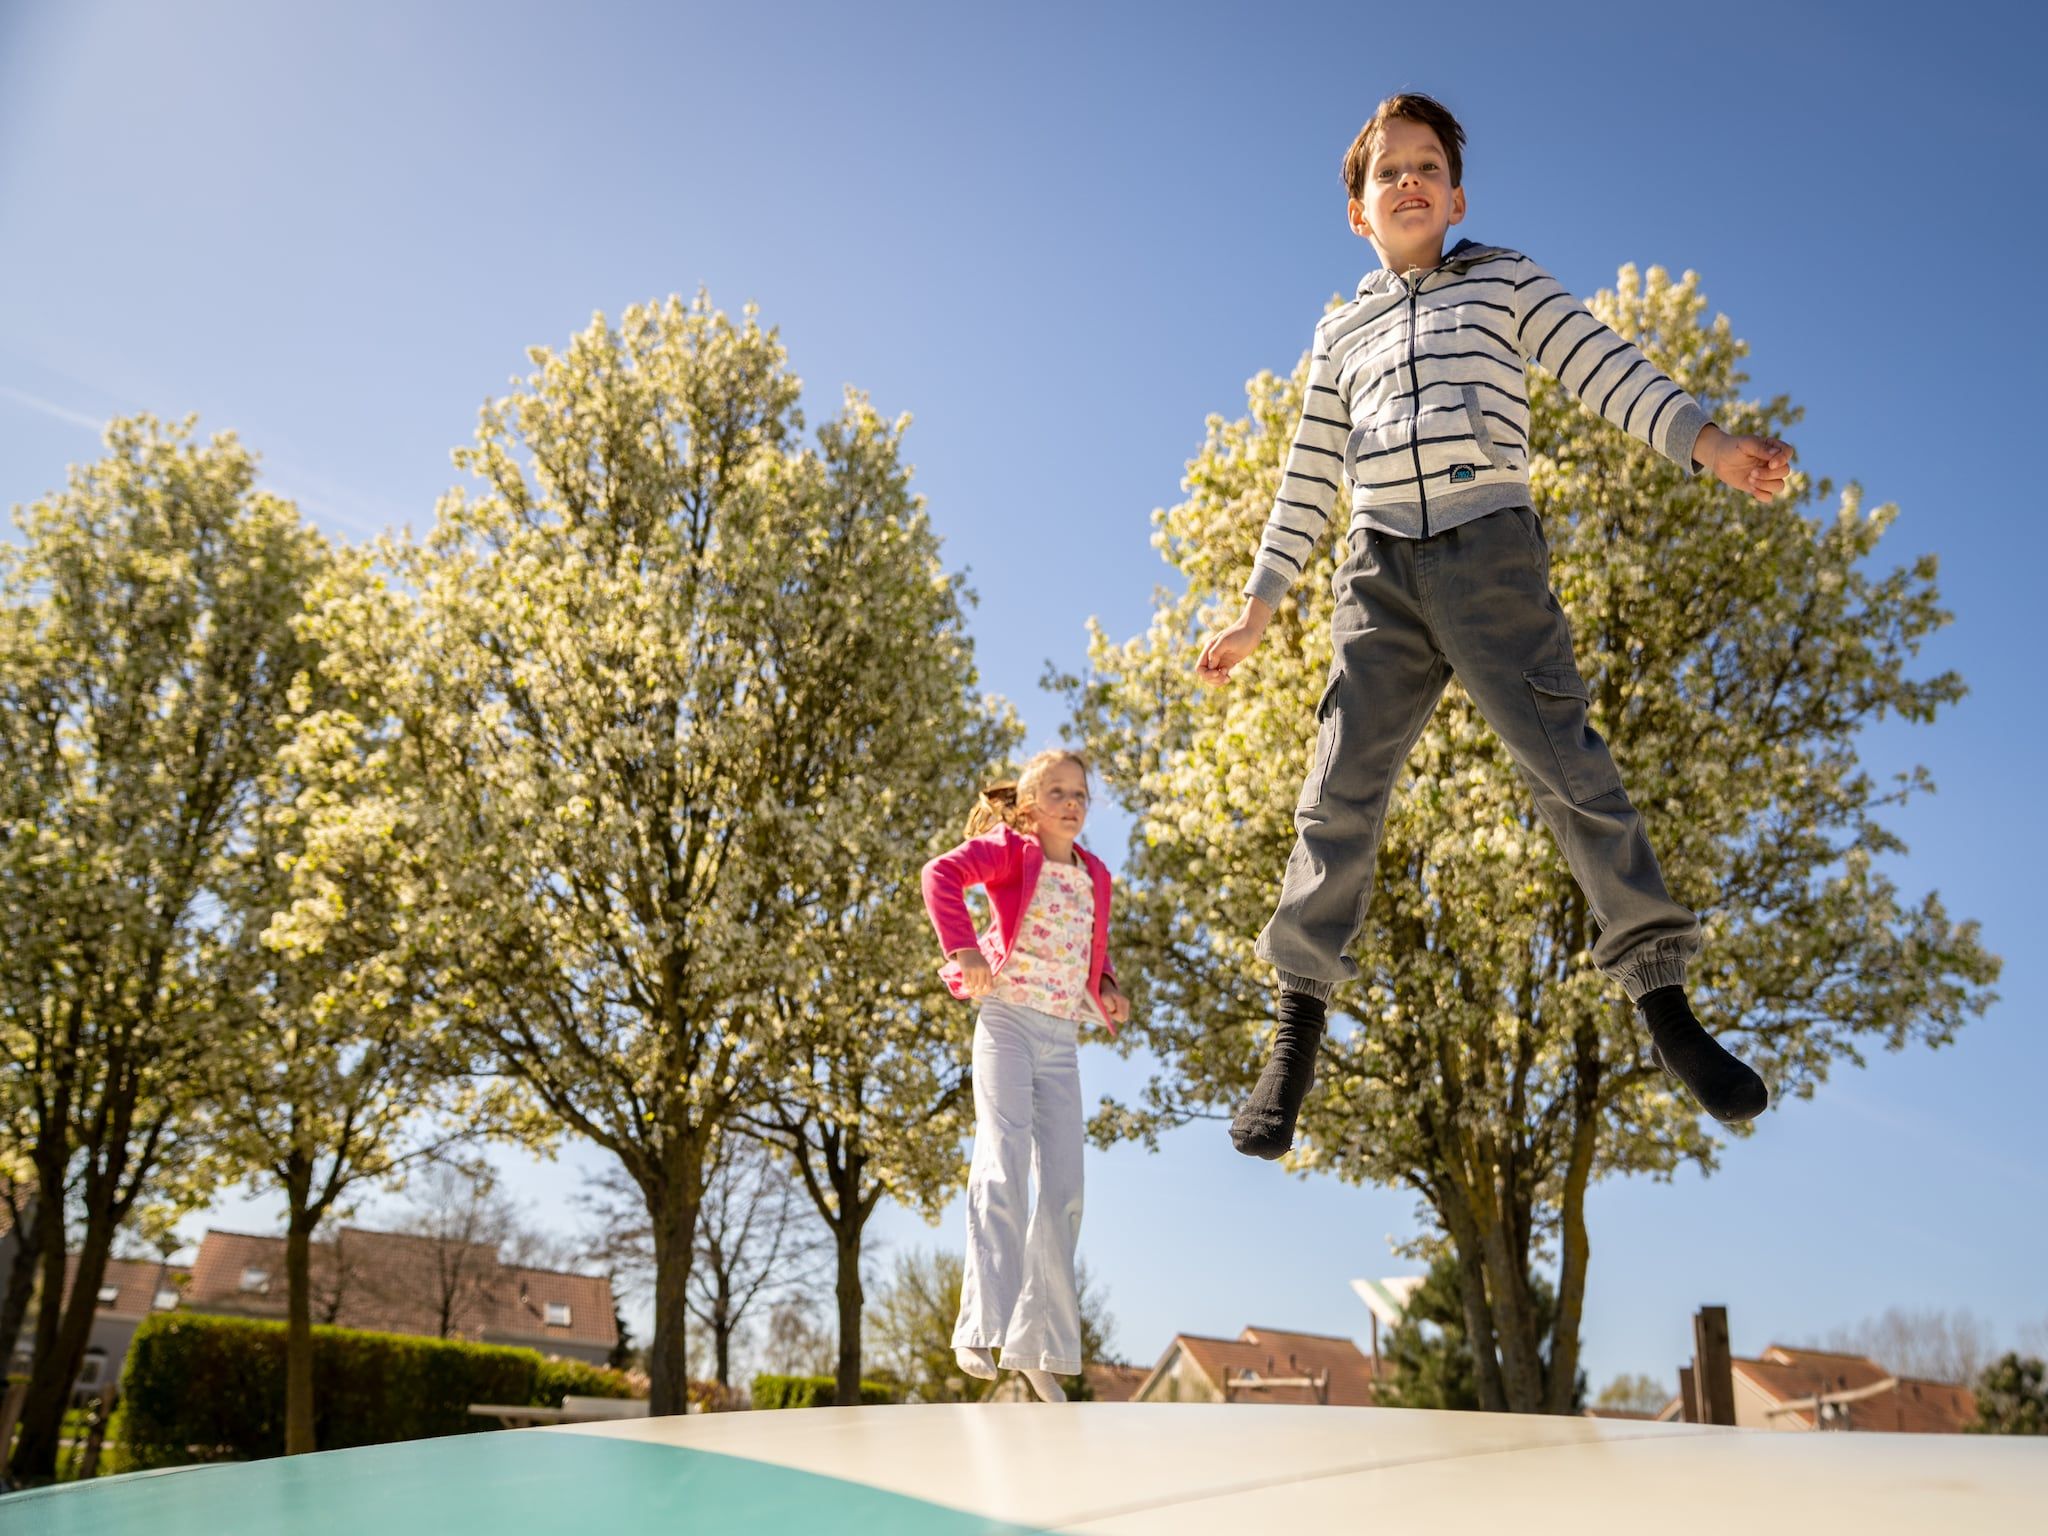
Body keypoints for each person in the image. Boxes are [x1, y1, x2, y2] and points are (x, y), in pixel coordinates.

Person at [1199, 92, 1782, 1161]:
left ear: (1456, 197)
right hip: (1374, 572)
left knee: (1570, 770)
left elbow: (1605, 369)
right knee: (1335, 793)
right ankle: (1292, 1032)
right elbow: (1305, 475)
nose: (1408, 182)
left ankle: (1664, 1006)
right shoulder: (1339, 332)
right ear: (1357, 213)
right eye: (1387, 173)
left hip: (1488, 555)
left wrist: (1712, 447)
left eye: (1426, 167)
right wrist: (1258, 605)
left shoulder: (1503, 280)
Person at [921, 749, 1130, 1402]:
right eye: (1059, 793)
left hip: (1061, 1040)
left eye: (1081, 795)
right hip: (1008, 1023)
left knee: (1065, 1186)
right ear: (1032, 808)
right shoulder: (1010, 851)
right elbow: (939, 876)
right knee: (1004, 1161)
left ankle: (1034, 1344)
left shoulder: (1096, 875)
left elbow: (1086, 949)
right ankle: (981, 1325)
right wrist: (961, 947)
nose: (1073, 804)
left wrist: (1108, 987)